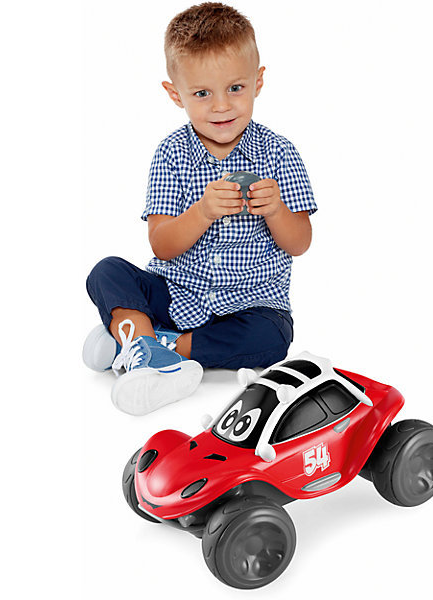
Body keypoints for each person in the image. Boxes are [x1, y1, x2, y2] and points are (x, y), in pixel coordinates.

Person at [84, 2, 317, 416]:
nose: (221, 106)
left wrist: (276, 210)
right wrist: (202, 212)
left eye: (235, 88)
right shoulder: (171, 154)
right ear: (176, 94)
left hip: (250, 303)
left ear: (258, 82)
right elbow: (161, 245)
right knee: (107, 272)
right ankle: (144, 345)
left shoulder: (280, 153)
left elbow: (300, 243)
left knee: (272, 339)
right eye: (202, 93)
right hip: (177, 293)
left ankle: (147, 344)